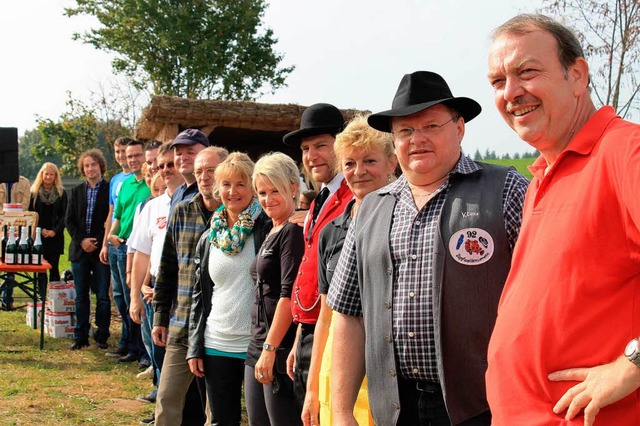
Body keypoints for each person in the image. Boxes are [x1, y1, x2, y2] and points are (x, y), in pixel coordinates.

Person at [326, 71, 529, 426]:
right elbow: (348, 312)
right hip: (394, 408)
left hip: (484, 406)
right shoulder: (370, 208)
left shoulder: (507, 189)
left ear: (459, 127)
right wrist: (342, 411)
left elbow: (544, 294)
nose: (417, 139)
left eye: (431, 126)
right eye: (405, 131)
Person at [485, 14, 640, 426]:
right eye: (498, 82)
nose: (511, 93)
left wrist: (632, 364)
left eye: (527, 72)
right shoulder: (541, 176)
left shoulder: (626, 151)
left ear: (577, 75)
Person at [302, 114, 397, 426]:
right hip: (339, 365)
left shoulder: (406, 220)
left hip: (389, 368)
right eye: (350, 164)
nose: (359, 172)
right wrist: (313, 386)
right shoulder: (331, 231)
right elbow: (327, 317)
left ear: (391, 163)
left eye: (369, 161)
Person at [187, 152, 271, 426]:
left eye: (240, 184)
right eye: (226, 184)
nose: (232, 192)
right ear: (217, 188)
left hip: (256, 344)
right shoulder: (209, 237)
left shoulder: (269, 228)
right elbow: (199, 295)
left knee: (263, 420)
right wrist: (194, 346)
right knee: (222, 421)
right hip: (216, 342)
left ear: (253, 187)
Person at [282, 103, 353, 412]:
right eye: (306, 148)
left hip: (339, 331)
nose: (312, 156)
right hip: (311, 328)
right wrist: (300, 337)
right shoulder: (316, 203)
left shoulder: (354, 197)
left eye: (321, 146)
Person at [152, 145, 228, 426]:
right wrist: (160, 316)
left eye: (211, 170)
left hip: (220, 330)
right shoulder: (181, 212)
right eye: (199, 171)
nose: (205, 177)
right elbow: (167, 268)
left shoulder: (241, 217)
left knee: (215, 410)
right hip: (181, 324)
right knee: (167, 400)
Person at [245, 152, 304, 425]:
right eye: (262, 193)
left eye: (275, 191)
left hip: (278, 348)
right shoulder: (270, 228)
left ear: (293, 188)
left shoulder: (292, 232)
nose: (268, 199)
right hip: (257, 343)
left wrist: (270, 349)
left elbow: (288, 295)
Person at [129, 144, 183, 424]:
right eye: (160, 166)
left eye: (170, 164)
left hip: (185, 295)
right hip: (155, 295)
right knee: (159, 354)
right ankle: (163, 409)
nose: (164, 170)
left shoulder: (195, 201)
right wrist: (136, 293)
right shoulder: (152, 207)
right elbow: (141, 254)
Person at [106, 139, 151, 364]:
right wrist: (110, 237)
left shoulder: (151, 185)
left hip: (137, 249)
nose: (132, 159)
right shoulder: (124, 185)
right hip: (118, 246)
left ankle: (142, 351)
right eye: (129, 155)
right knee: (121, 298)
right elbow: (119, 216)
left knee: (135, 298)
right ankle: (129, 343)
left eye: (136, 155)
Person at [65, 149, 111, 350]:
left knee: (102, 295)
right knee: (81, 295)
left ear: (100, 166)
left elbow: (110, 219)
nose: (90, 168)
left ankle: (102, 335)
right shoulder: (75, 192)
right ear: (82, 170)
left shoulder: (111, 189)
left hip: (102, 250)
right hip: (79, 251)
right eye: (86, 165)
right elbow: (69, 221)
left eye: (93, 164)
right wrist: (82, 240)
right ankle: (80, 335)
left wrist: (97, 242)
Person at [101, 136, 132, 357]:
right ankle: (125, 339)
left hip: (128, 245)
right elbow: (112, 214)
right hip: (113, 243)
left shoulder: (140, 180)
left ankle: (133, 345)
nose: (121, 156)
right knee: (119, 296)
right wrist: (106, 241)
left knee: (131, 297)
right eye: (118, 151)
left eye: (125, 151)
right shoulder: (115, 180)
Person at [28, 163, 68, 282]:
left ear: (56, 176)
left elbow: (65, 215)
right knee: (40, 270)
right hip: (38, 237)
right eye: (46, 174)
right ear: (41, 175)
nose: (49, 177)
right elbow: (31, 214)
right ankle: (42, 298)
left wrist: (54, 231)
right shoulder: (33, 193)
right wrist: (40, 230)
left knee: (54, 269)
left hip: (55, 237)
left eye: (52, 174)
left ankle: (54, 297)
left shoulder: (61, 193)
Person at [0, 175, 31, 310]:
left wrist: (11, 217)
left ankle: (7, 299)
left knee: (11, 265)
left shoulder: (24, 183)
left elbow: (25, 206)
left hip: (17, 228)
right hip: (0, 227)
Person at [170, 129, 210, 211]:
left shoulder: (211, 191)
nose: (183, 158)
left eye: (190, 152)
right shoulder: (177, 193)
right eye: (178, 154)